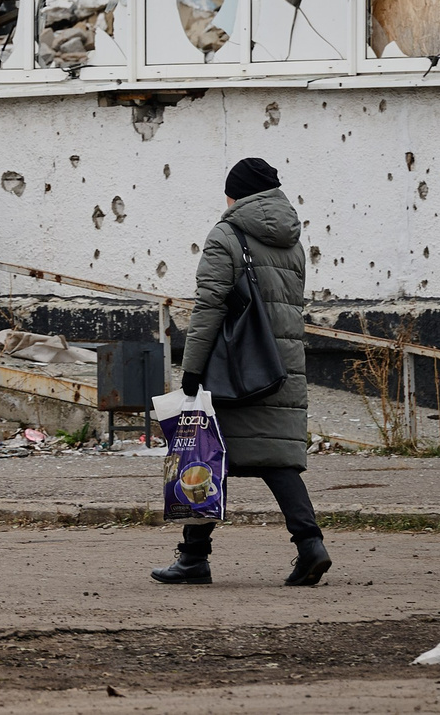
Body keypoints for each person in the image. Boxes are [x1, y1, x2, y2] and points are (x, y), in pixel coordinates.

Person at [151, 156, 331, 587]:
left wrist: (191, 371)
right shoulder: (292, 241)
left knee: (203, 455)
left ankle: (193, 559)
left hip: (232, 368)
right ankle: (310, 545)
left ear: (237, 195)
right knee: (276, 458)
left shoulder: (226, 235)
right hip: (279, 367)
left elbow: (209, 308)